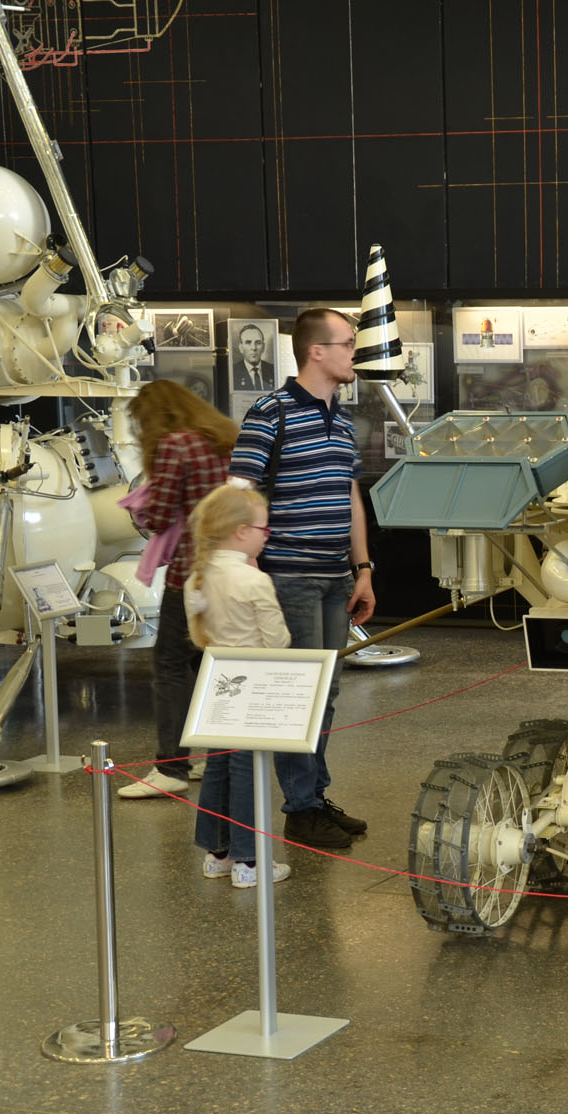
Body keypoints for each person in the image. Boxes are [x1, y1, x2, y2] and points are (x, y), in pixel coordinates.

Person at [226, 307, 375, 850]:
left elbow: (350, 497)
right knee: (301, 695)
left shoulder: (340, 418)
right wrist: (243, 569)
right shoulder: (272, 412)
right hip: (289, 579)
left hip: (336, 578)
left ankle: (311, 798)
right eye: (348, 343)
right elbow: (239, 492)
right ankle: (302, 808)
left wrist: (363, 570)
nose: (354, 352)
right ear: (318, 351)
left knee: (326, 694)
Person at [119, 379, 237, 799]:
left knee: (169, 665)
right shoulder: (223, 438)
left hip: (188, 572)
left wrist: (142, 508)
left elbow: (161, 512)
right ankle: (216, 755)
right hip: (227, 569)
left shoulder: (173, 445)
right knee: (208, 665)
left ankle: (170, 766)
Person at [184, 485, 293, 888]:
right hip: (254, 685)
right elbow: (278, 641)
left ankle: (218, 853)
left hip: (218, 682)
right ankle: (250, 861)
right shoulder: (252, 580)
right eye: (265, 527)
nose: (268, 534)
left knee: (218, 765)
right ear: (241, 531)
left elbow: (199, 638)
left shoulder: (195, 579)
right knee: (247, 769)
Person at [233, 322, 272, 392]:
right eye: (248, 342)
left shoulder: (273, 370)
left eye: (258, 343)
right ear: (241, 348)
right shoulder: (233, 373)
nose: (254, 348)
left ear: (263, 347)